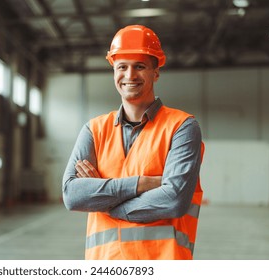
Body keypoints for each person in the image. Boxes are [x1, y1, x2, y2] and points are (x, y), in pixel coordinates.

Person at [62, 25, 204, 260]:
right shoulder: (94, 130)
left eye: (139, 66)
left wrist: (105, 203)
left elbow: (174, 200)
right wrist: (140, 184)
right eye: (122, 67)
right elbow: (72, 196)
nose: (129, 75)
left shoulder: (182, 127)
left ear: (155, 72)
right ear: (113, 71)